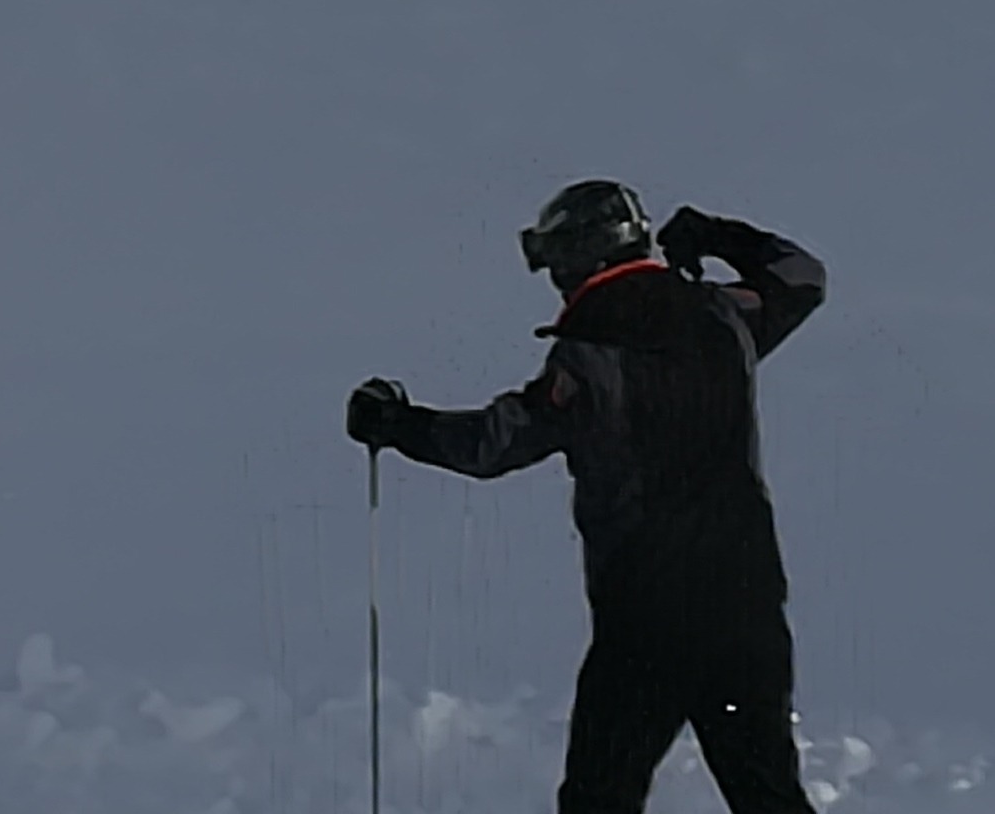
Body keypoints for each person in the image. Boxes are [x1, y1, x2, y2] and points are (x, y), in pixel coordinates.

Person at [346, 182, 826, 814]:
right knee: (767, 794)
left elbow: (493, 445)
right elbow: (801, 276)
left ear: (580, 258)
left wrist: (396, 424)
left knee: (601, 798)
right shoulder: (722, 317)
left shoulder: (591, 355)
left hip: (648, 622)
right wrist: (716, 235)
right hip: (745, 610)